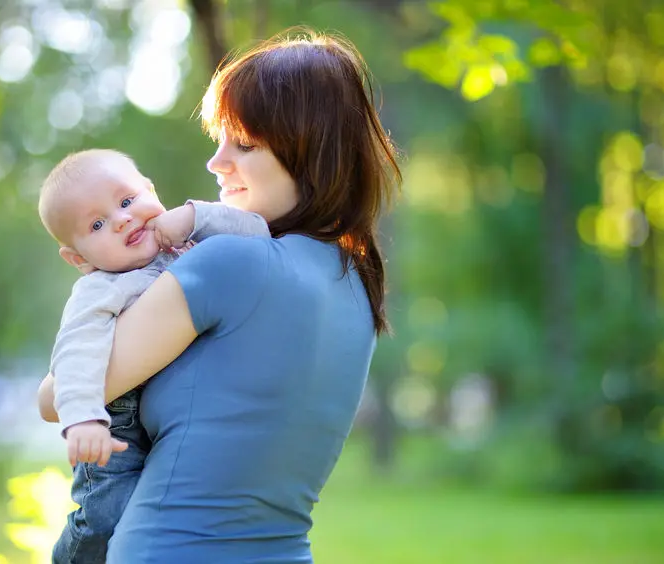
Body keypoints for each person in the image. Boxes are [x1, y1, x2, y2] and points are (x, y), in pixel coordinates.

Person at [38, 29, 401, 563]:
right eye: (221, 139)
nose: (216, 162)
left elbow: (54, 398)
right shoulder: (357, 286)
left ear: (311, 149)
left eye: (245, 144)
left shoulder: (230, 263)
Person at [36, 148, 269, 563]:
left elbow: (258, 233)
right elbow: (75, 352)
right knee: (105, 519)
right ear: (78, 258)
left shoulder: (190, 244)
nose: (122, 218)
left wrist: (194, 216)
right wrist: (83, 418)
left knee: (161, 526)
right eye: (96, 224)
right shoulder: (100, 288)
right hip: (115, 433)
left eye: (126, 201)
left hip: (172, 421)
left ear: (150, 190)